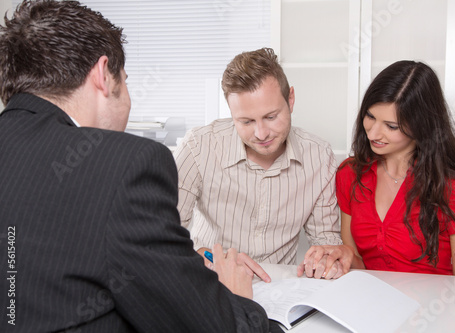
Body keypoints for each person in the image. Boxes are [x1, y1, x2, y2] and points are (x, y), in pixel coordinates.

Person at [0, 1, 273, 332]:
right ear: (103, 74)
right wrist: (239, 300)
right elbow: (207, 323)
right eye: (125, 81)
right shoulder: (125, 165)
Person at [174, 47, 348, 280]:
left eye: (271, 117)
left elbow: (326, 241)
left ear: (291, 99)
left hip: (280, 289)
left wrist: (326, 259)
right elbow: (162, 234)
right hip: (210, 282)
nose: (261, 133)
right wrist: (200, 256)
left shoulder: (319, 155)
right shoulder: (198, 146)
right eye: (246, 121)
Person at [308, 60, 455, 277]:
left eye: (391, 126)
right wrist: (343, 255)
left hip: (434, 308)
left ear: (422, 125)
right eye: (370, 116)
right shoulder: (350, 174)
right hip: (369, 304)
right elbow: (358, 268)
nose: (373, 133)